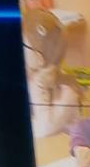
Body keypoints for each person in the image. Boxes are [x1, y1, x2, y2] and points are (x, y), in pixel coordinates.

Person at [24, 8, 81, 137]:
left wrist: (39, 86)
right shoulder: (30, 75)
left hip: (62, 147)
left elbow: (42, 130)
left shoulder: (67, 93)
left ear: (39, 58)